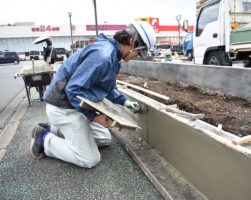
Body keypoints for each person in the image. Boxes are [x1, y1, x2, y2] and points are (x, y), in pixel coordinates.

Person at [30, 21, 156, 168]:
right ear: (131, 41)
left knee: (103, 139)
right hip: (64, 107)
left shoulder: (112, 54)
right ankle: (44, 139)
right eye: (139, 51)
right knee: (89, 159)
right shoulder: (103, 56)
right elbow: (73, 90)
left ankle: (53, 128)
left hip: (76, 105)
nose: (138, 55)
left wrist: (124, 102)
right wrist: (94, 117)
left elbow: (107, 86)